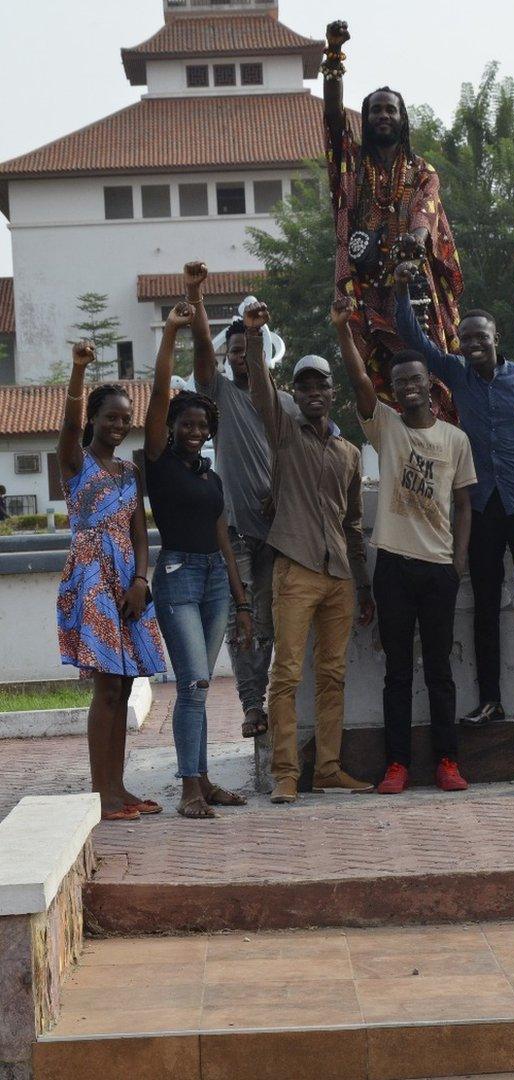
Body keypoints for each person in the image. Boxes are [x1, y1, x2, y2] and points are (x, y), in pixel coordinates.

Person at [394, 261, 514, 726]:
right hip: (481, 506)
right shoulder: (456, 373)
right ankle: (491, 699)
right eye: (467, 338)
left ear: (496, 337)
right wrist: (402, 288)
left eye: (482, 336)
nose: (475, 344)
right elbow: (413, 340)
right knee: (484, 607)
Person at [332, 297, 476, 794]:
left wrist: (457, 564)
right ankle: (396, 764)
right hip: (393, 564)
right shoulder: (386, 429)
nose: (409, 386)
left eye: (416, 379)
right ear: (393, 390)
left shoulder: (455, 440)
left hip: (438, 568)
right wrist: (344, 332)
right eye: (400, 382)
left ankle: (447, 761)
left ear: (429, 387)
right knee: (396, 672)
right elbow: (357, 384)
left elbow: (463, 506)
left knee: (439, 671)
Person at [242, 300, 375, 805]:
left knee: (333, 675)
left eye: (322, 385)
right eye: (305, 386)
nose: (314, 392)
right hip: (294, 568)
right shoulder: (283, 433)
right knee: (287, 674)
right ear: (294, 394)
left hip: (339, 573)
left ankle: (329, 769)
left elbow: (354, 523)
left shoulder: (349, 453)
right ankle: (285, 774)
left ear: (333, 394)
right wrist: (255, 338)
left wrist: (363, 585)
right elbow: (258, 388)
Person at [144, 302, 253, 819]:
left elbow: (223, 539)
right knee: (191, 684)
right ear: (171, 427)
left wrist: (242, 598)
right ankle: (189, 788)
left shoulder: (210, 479)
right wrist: (172, 331)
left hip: (213, 581)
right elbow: (161, 387)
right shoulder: (158, 465)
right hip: (176, 578)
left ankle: (204, 780)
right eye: (185, 423)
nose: (193, 431)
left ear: (210, 431)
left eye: (201, 425)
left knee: (201, 686)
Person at [322, 20, 463, 420]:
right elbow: (332, 118)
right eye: (376, 109)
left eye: (391, 109)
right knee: (373, 369)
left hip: (413, 284)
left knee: (428, 362)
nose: (383, 115)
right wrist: (333, 55)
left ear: (402, 119)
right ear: (366, 119)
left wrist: (416, 241)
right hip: (365, 286)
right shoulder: (351, 164)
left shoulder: (421, 169)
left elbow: (426, 209)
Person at [56, 342, 165, 821]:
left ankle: (118, 787)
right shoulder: (75, 461)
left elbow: (140, 532)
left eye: (125, 419)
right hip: (91, 578)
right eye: (111, 418)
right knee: (105, 687)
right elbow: (68, 423)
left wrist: (141, 578)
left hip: (126, 581)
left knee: (122, 685)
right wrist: (79, 370)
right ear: (94, 420)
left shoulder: (129, 471)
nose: (119, 426)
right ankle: (100, 793)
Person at [187, 261, 295, 740]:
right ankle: (252, 707)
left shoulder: (286, 403)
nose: (241, 358)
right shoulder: (221, 397)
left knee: (271, 623)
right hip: (234, 531)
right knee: (242, 620)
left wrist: (283, 493)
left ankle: (268, 702)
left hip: (284, 531)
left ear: (264, 354)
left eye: (249, 349)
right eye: (234, 351)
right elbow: (201, 358)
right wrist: (194, 295)